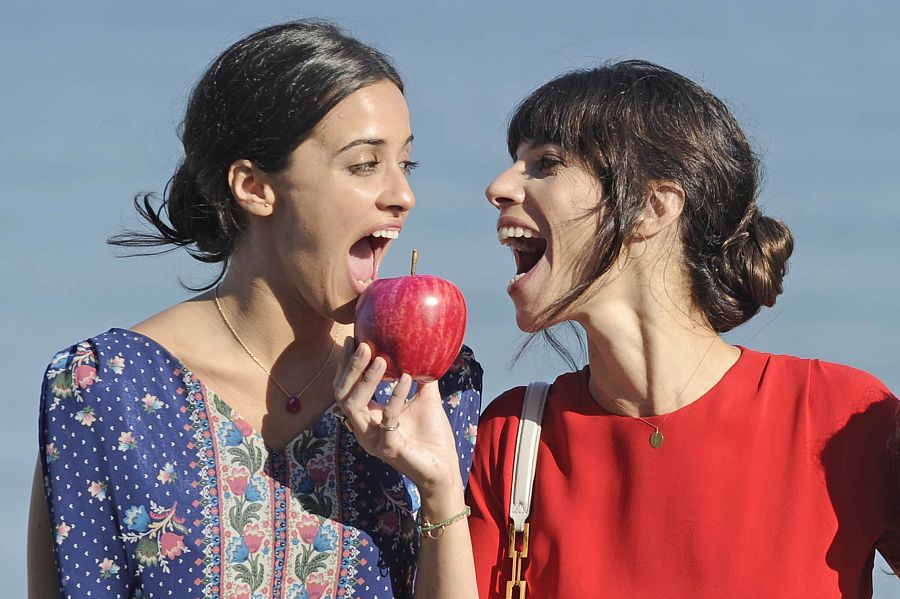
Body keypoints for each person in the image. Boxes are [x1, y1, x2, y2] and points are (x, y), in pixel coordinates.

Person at [334, 60, 900, 598]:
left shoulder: (842, 416)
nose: (498, 187)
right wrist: (438, 491)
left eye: (546, 163)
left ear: (653, 207)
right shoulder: (513, 436)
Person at [27, 20, 482, 599]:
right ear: (254, 187)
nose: (403, 195)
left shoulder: (431, 388)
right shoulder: (104, 388)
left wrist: (441, 494)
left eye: (405, 165)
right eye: (365, 164)